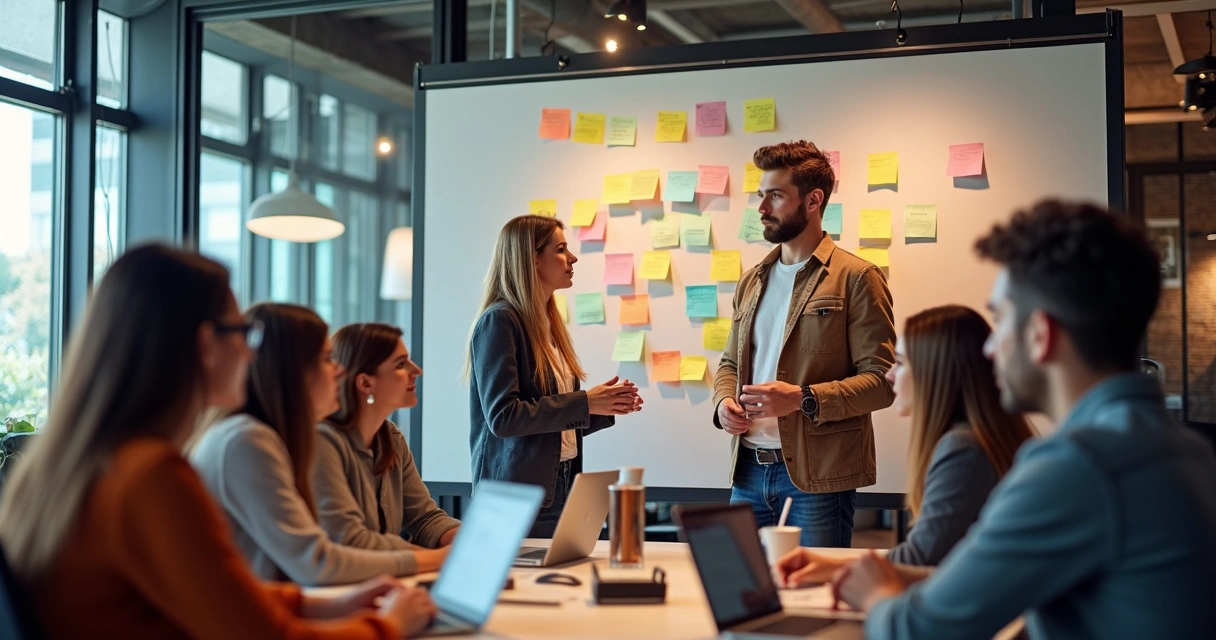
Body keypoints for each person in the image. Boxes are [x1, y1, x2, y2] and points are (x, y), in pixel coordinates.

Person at [0, 245, 434, 639]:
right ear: (206, 344)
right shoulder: (153, 475)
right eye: (243, 334)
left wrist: (324, 604)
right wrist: (387, 626)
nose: (251, 353)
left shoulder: (94, 461)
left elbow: (220, 594)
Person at [828, 200, 1216, 639]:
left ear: (1040, 335)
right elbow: (984, 584)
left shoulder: (1076, 465)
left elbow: (917, 631)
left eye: (1001, 319)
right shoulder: (1186, 448)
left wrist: (876, 594)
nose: (989, 350)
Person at [714, 140, 896, 548]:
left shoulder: (857, 277)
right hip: (745, 472)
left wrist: (801, 398)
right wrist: (722, 404)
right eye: (761, 195)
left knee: (815, 598)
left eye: (775, 196)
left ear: (814, 200)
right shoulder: (751, 279)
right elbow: (729, 363)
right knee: (741, 593)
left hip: (819, 479)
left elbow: (883, 381)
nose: (762, 208)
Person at [192, 303, 447, 586]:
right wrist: (440, 559)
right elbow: (317, 560)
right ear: (294, 372)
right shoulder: (247, 441)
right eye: (327, 359)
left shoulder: (261, 438)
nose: (339, 372)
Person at [775, 305, 1034, 584]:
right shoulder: (977, 440)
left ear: (935, 371)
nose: (889, 375)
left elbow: (919, 558)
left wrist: (836, 568)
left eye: (900, 363)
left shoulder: (963, 450)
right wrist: (830, 564)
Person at [466, 215, 643, 537]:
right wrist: (585, 403)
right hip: (517, 497)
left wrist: (603, 406)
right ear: (532, 259)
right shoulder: (500, 322)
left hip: (562, 487)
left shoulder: (549, 324)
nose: (573, 258)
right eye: (561, 249)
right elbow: (504, 418)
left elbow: (546, 427)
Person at [315, 322, 460, 552]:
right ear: (365, 382)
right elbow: (352, 542)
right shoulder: (323, 443)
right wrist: (442, 559)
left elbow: (425, 519)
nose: (416, 371)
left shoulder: (391, 438)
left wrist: (473, 540)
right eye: (401, 364)